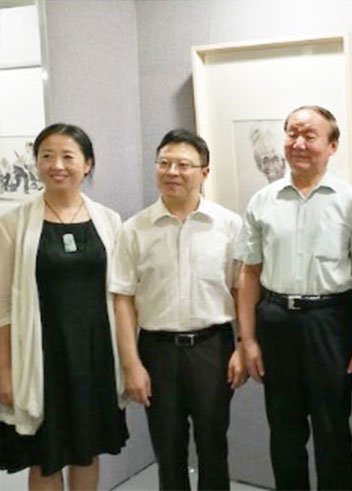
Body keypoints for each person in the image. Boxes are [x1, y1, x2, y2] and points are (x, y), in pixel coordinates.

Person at [235, 105, 352, 490]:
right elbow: (249, 272)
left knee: (333, 431)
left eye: (309, 135)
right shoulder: (262, 200)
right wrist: (247, 340)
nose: (298, 143)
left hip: (330, 322)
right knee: (284, 431)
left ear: (332, 145)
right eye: (292, 133)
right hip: (276, 320)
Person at [111, 129, 246, 490]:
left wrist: (243, 345)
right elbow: (123, 299)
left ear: (204, 172)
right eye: (164, 163)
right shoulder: (134, 229)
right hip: (157, 351)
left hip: (213, 348)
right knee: (167, 449)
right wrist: (131, 364)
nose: (172, 172)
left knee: (213, 445)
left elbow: (241, 291)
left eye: (183, 165)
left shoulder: (229, 225)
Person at [0, 123, 128, 489]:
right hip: (41, 357)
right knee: (45, 456)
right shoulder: (13, 223)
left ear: (87, 164)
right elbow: (2, 304)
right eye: (47, 156)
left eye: (68, 156)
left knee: (87, 451)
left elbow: (122, 294)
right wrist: (4, 370)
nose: (57, 165)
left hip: (94, 355)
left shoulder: (109, 221)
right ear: (37, 163)